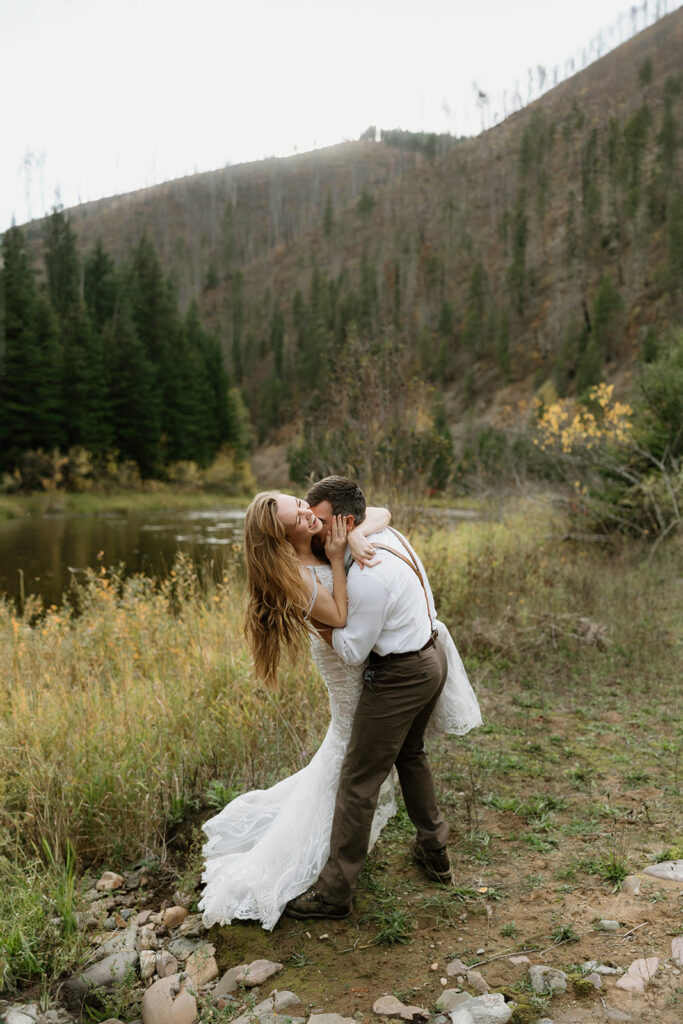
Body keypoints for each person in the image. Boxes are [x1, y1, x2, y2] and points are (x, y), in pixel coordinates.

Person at [199, 490, 397, 930]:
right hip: (340, 659)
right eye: (299, 515)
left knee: (346, 756)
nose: (309, 514)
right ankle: (318, 858)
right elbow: (341, 617)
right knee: (346, 751)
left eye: (305, 506)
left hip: (356, 653)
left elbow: (382, 511)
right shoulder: (294, 573)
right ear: (282, 533)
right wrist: (340, 551)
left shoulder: (320, 535)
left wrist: (358, 534)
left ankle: (340, 846)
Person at [285, 476, 481, 920]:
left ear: (346, 521)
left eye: (320, 521)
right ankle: (435, 851)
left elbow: (353, 651)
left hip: (401, 676)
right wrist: (349, 538)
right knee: (411, 754)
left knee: (358, 779)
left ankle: (335, 894)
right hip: (432, 655)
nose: (313, 528)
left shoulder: (369, 571)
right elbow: (381, 513)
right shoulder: (384, 533)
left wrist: (313, 620)